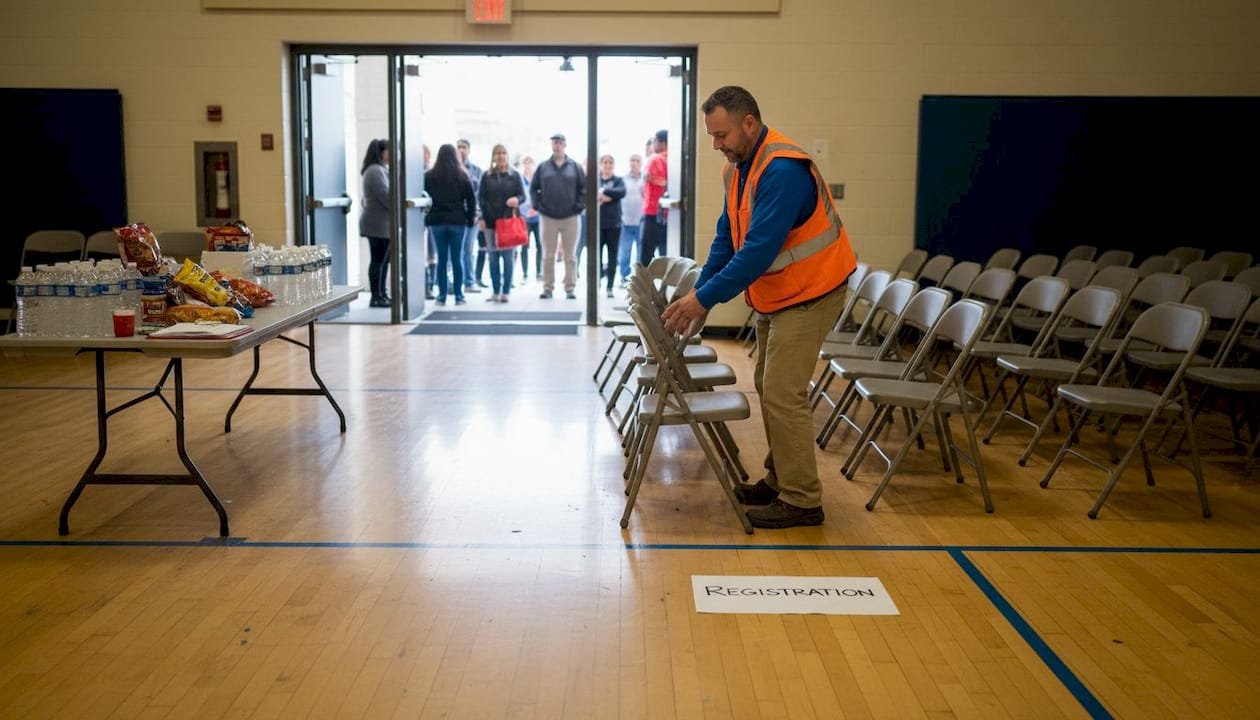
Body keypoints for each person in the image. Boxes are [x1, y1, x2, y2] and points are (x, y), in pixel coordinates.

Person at [662, 86, 857, 529]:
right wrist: (702, 293)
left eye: (722, 134)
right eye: (712, 136)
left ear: (749, 122)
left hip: (814, 291)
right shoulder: (739, 169)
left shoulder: (782, 169)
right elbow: (725, 240)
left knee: (784, 392)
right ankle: (781, 478)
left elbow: (756, 252)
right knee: (770, 386)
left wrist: (702, 299)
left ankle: (803, 499)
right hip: (781, 295)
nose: (717, 145)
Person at [530, 133, 585, 300]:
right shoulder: (543, 167)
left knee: (571, 255)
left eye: (560, 142)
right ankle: (548, 288)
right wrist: (538, 206)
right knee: (548, 255)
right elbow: (534, 189)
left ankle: (570, 287)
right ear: (552, 145)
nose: (557, 145)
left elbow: (583, 189)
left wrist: (578, 206)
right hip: (548, 217)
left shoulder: (574, 166)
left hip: (570, 218)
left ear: (565, 145)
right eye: (554, 142)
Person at [425, 144, 476, 306]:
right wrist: (468, 219)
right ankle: (459, 295)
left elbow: (425, 198)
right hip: (457, 222)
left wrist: (427, 217)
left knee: (441, 259)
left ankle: (441, 296)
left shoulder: (429, 176)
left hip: (437, 222)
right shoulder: (462, 175)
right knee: (457, 259)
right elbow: (471, 200)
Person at [478, 144, 526, 303]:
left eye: (504, 153)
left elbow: (523, 196)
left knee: (507, 258)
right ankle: (495, 290)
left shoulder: (515, 175)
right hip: (491, 224)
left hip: (508, 223)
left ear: (508, 156)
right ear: (493, 156)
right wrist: (482, 218)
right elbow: (481, 198)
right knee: (492, 258)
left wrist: (516, 200)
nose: (501, 156)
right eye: (498, 153)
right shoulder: (486, 176)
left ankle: (506, 291)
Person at [358, 138, 392, 308]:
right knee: (378, 261)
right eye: (388, 151)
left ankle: (382, 293)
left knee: (383, 261)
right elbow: (386, 196)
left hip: (381, 224)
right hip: (377, 225)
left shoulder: (378, 170)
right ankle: (376, 296)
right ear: (381, 152)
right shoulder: (375, 171)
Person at [595, 154, 626, 299]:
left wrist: (604, 193)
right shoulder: (596, 180)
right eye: (605, 162)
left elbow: (621, 192)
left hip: (614, 224)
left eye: (610, 162)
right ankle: (597, 283)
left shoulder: (618, 180)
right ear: (601, 165)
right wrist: (609, 197)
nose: (607, 165)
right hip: (598, 224)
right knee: (597, 256)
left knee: (612, 256)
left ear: (613, 165)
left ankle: (609, 286)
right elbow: (591, 194)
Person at [456, 138, 484, 295]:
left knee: (468, 250)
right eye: (459, 147)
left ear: (469, 149)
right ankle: (457, 283)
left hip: (472, 217)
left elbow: (480, 195)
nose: (461, 150)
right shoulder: (452, 169)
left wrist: (477, 214)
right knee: (457, 251)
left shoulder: (476, 170)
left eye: (464, 147)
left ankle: (469, 282)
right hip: (456, 217)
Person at [640, 129, 669, 264]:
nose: (653, 145)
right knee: (666, 252)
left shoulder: (655, 158)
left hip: (652, 210)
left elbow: (649, 179)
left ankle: (644, 285)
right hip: (669, 213)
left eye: (654, 141)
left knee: (646, 253)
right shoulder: (675, 159)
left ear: (661, 142)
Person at [617, 153, 644, 286]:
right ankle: (624, 278)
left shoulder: (645, 179)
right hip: (625, 221)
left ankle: (638, 279)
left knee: (641, 253)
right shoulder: (623, 179)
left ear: (641, 163)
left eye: (637, 161)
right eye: (632, 160)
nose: (634, 163)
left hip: (641, 221)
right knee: (625, 252)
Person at [517, 154, 540, 283]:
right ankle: (525, 273)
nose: (528, 164)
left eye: (530, 162)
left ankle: (538, 272)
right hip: (524, 218)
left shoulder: (538, 178)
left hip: (537, 217)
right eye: (525, 162)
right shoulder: (519, 179)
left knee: (540, 246)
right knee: (524, 246)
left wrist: (535, 209)